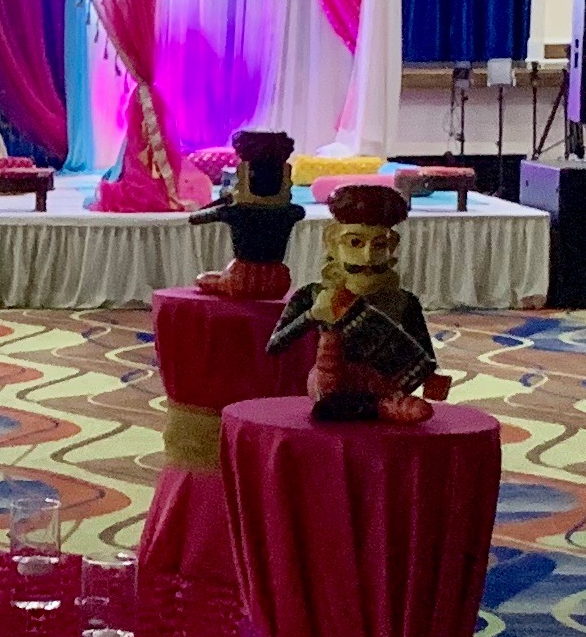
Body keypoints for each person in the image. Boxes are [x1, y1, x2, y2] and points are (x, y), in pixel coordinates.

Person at [266, 181, 446, 422]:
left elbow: (424, 360)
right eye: (355, 243)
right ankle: (380, 408)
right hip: (331, 384)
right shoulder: (312, 294)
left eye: (379, 245)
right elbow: (275, 346)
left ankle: (379, 406)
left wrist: (432, 379)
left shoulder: (404, 301)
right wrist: (312, 315)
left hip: (386, 385)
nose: (368, 256)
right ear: (332, 243)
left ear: (391, 246)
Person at [189, 129, 303, 299]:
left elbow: (194, 219)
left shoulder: (234, 212)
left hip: (240, 280)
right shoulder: (294, 212)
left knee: (203, 279)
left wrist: (226, 201)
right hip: (278, 281)